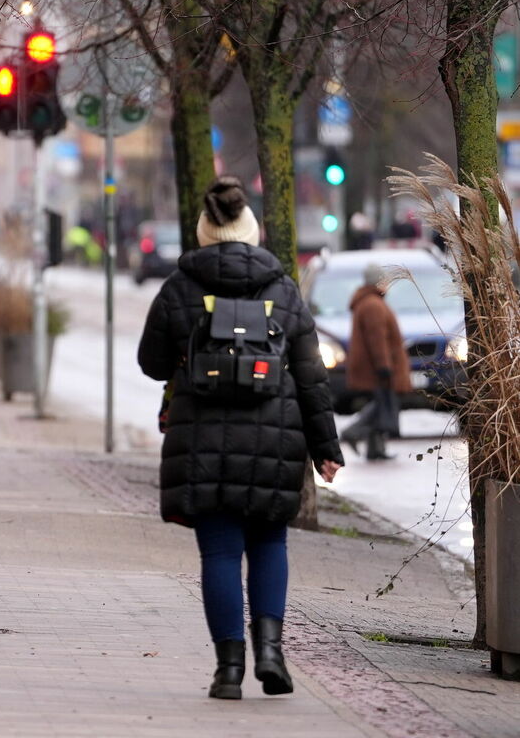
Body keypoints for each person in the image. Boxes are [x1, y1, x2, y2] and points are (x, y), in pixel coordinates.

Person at [137, 176, 344, 700]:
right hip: (277, 439)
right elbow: (311, 376)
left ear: (205, 232)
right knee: (271, 543)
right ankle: (271, 653)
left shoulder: (179, 287)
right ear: (252, 232)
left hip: (202, 441)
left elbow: (150, 363)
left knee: (221, 556)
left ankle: (229, 669)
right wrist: (326, 449)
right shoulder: (283, 289)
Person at [341, 264, 412, 460]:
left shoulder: (368, 302)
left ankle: (375, 449)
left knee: (379, 402)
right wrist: (384, 366)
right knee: (381, 405)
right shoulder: (373, 305)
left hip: (371, 367)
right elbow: (377, 339)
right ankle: (352, 432)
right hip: (377, 368)